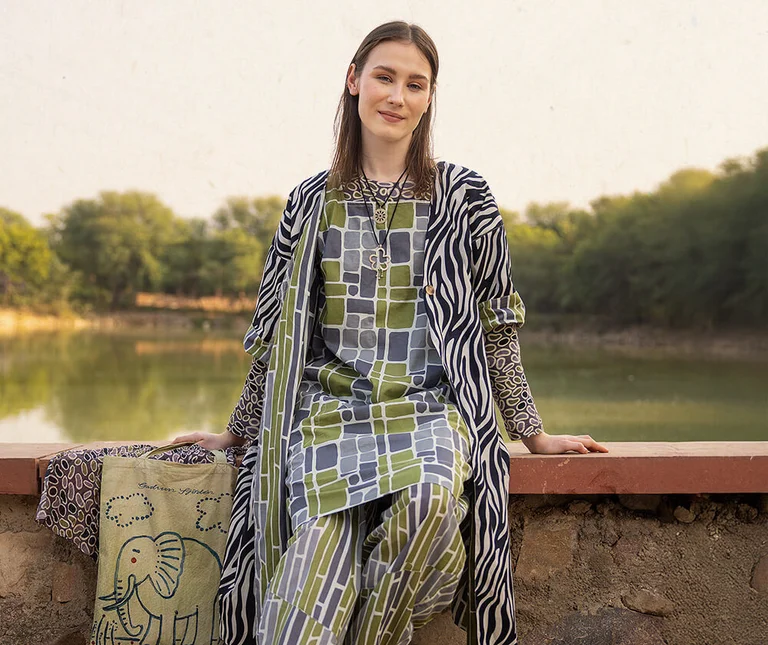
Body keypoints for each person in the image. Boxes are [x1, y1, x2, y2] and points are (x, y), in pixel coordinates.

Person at [174, 20, 608, 645]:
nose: (396, 97)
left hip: (428, 413)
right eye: (384, 77)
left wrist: (532, 434)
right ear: (353, 82)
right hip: (330, 416)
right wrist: (236, 431)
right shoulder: (310, 202)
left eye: (415, 84)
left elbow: (496, 325)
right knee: (313, 564)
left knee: (432, 504)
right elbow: (279, 336)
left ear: (430, 98)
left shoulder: (464, 197)